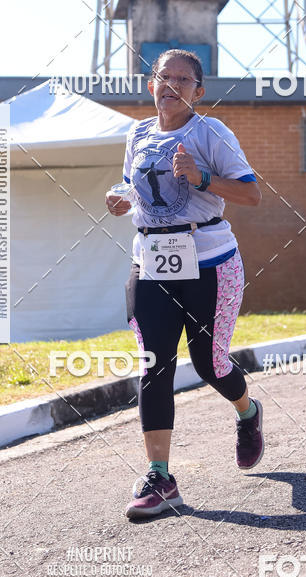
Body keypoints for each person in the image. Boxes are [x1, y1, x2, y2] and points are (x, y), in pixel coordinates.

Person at [106, 49, 263, 520]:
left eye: (183, 79)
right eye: (163, 76)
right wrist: (121, 198)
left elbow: (251, 194)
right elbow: (132, 187)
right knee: (154, 363)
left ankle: (248, 412)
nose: (171, 85)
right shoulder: (136, 133)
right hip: (150, 261)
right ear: (150, 84)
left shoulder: (210, 132)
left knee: (210, 363)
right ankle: (160, 477)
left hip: (210, 262)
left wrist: (202, 177)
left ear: (198, 90)